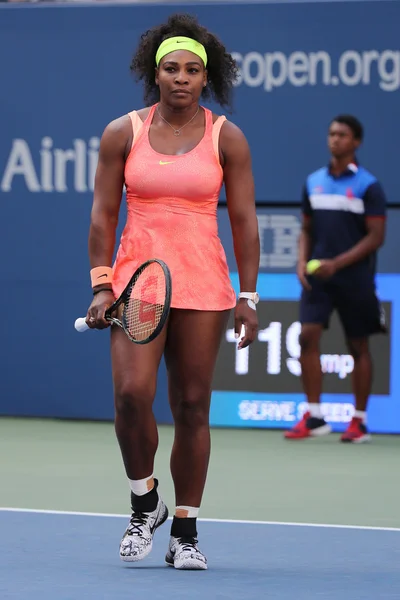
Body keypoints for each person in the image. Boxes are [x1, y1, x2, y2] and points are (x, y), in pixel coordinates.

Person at [85, 13, 260, 570]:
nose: (181, 77)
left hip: (204, 284)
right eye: (170, 68)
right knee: (132, 395)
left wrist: (248, 298)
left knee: (191, 405)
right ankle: (144, 501)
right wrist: (100, 284)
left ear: (206, 78)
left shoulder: (226, 137)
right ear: (153, 74)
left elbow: (246, 224)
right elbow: (103, 216)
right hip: (138, 283)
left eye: (191, 70)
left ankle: (185, 529)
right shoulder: (123, 132)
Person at [284, 115, 387, 443]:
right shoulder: (313, 181)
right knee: (306, 338)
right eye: (331, 134)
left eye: (342, 135)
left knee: (358, 345)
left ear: (356, 142)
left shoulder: (369, 185)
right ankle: (315, 416)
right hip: (319, 278)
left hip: (354, 278)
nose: (335, 139)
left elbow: (375, 237)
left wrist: (337, 263)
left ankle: (358, 422)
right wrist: (302, 261)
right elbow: (306, 229)